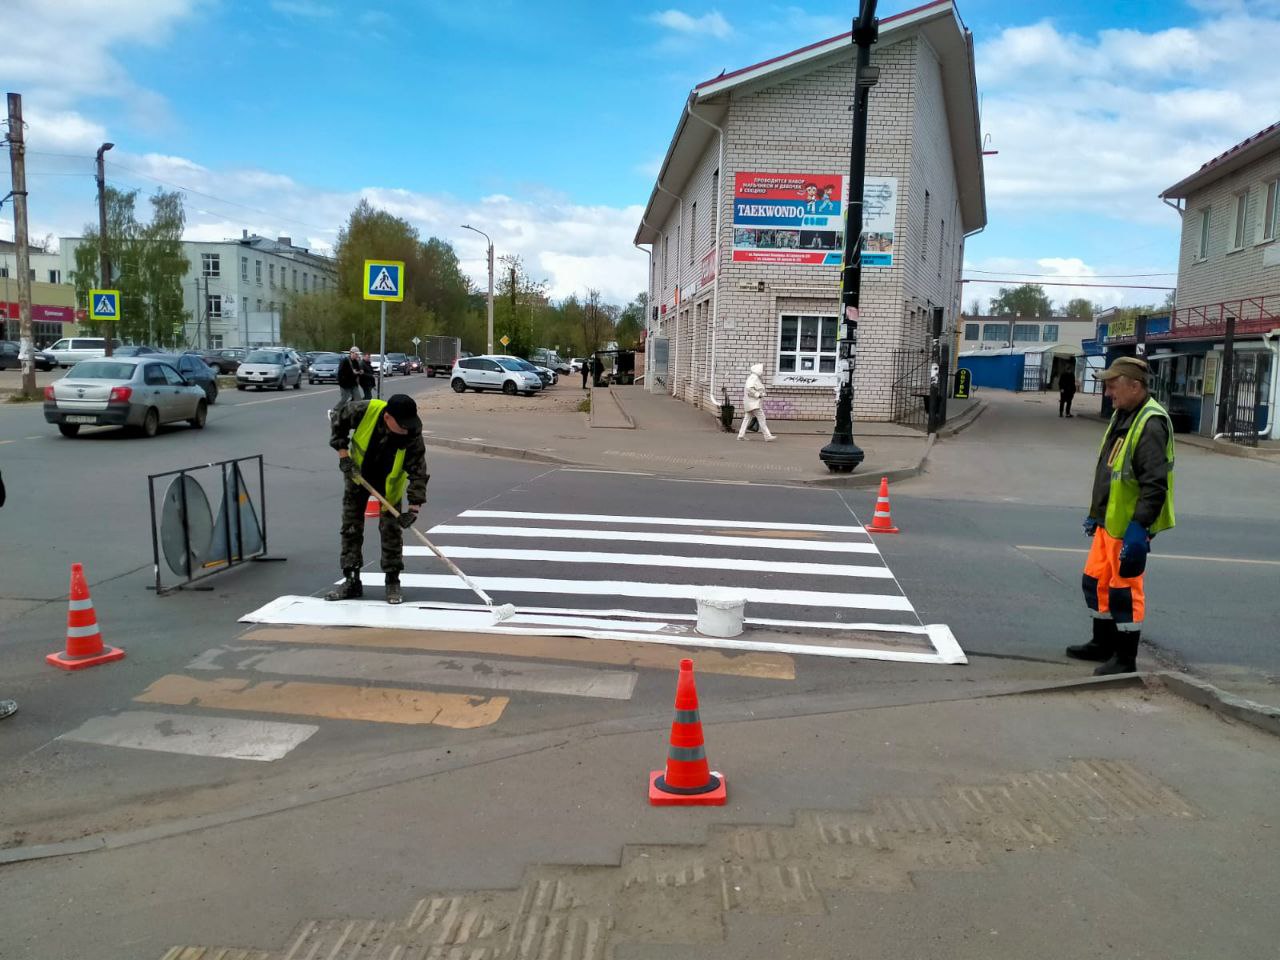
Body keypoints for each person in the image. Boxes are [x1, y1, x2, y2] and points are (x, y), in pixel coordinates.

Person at [1067, 356, 1174, 675]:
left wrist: (1139, 528)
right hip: (1108, 522)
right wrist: (1095, 513)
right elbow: (1112, 470)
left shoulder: (1150, 423)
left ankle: (1125, 658)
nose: (1109, 392)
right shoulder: (1125, 415)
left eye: (1113, 386)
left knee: (1124, 589)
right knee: (1096, 582)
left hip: (1128, 526)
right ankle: (1103, 644)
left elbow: (1155, 483)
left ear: (1135, 386)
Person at [327, 394, 429, 605]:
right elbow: (338, 419)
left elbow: (418, 472)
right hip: (358, 477)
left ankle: (393, 581)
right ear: (387, 417)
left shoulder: (412, 434)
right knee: (351, 528)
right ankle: (351, 580)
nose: (406, 429)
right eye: (401, 425)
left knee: (391, 531)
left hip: (388, 487)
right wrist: (343, 455)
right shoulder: (366, 410)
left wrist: (413, 509)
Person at [738, 363, 775, 441]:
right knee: (762, 418)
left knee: (747, 418)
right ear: (758, 370)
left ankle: (741, 435)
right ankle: (767, 436)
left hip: (751, 403)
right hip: (753, 403)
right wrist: (758, 395)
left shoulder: (753, 377)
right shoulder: (754, 378)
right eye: (762, 370)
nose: (763, 371)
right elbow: (749, 388)